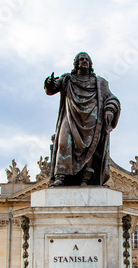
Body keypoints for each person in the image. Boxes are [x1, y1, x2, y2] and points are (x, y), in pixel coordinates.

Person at [44, 52, 121, 187]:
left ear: (90, 64)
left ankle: (85, 179)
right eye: (81, 59)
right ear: (76, 63)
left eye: (86, 59)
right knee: (63, 143)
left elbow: (112, 98)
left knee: (90, 147)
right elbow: (51, 89)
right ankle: (60, 177)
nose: (84, 61)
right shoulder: (67, 79)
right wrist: (49, 83)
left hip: (92, 121)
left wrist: (109, 109)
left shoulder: (100, 83)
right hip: (70, 116)